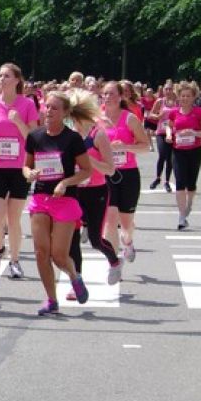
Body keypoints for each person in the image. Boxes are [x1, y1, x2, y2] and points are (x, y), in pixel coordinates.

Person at [24, 90, 95, 316]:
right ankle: (51, 300)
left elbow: (86, 170)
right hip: (40, 197)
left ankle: (74, 276)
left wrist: (65, 182)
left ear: (65, 113)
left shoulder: (72, 139)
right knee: (40, 252)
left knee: (59, 255)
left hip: (65, 199)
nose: (49, 111)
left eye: (54, 108)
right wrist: (29, 174)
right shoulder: (35, 136)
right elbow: (26, 166)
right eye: (47, 106)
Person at [0, 62, 39, 279]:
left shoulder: (27, 104)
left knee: (13, 218)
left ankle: (15, 261)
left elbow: (34, 138)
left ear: (17, 80)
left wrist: (18, 122)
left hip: (20, 166)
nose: (1, 79)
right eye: (0, 75)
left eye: (6, 76)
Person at [65, 89, 122, 287]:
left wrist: (89, 161)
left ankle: (114, 261)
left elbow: (110, 169)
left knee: (96, 240)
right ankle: (77, 280)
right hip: (74, 191)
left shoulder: (98, 135)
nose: (72, 120)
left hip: (96, 191)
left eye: (74, 116)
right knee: (72, 239)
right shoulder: (69, 134)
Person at [99, 81, 149, 265]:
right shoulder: (97, 119)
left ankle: (127, 242)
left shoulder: (129, 118)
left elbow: (145, 146)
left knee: (127, 224)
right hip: (106, 174)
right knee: (110, 220)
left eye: (112, 93)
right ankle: (113, 262)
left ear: (120, 97)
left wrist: (125, 147)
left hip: (128, 175)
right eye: (105, 93)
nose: (107, 97)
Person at [166, 81, 201, 229]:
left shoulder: (199, 112)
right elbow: (169, 126)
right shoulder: (174, 112)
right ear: (178, 97)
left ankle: (189, 204)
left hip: (194, 151)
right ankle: (181, 216)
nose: (185, 98)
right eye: (182, 96)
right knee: (180, 182)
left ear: (193, 97)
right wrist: (169, 135)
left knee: (191, 184)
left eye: (188, 96)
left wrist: (193, 132)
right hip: (178, 151)